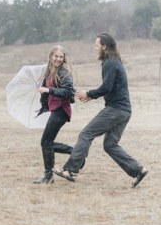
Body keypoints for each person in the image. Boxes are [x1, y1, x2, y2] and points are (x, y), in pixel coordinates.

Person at [53, 33, 148, 188]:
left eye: (97, 45)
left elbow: (107, 87)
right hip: (125, 111)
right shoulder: (114, 62)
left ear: (104, 47)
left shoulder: (109, 62)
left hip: (116, 110)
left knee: (86, 134)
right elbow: (109, 88)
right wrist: (92, 96)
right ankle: (138, 170)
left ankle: (71, 170)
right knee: (110, 144)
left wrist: (89, 94)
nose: (95, 48)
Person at [33, 45, 76, 184]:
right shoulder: (49, 72)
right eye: (56, 56)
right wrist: (44, 101)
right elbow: (48, 91)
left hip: (62, 111)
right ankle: (49, 175)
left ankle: (75, 152)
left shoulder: (64, 72)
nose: (58, 59)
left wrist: (48, 90)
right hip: (55, 109)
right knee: (47, 142)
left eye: (61, 57)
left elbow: (68, 92)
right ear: (51, 56)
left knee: (45, 142)